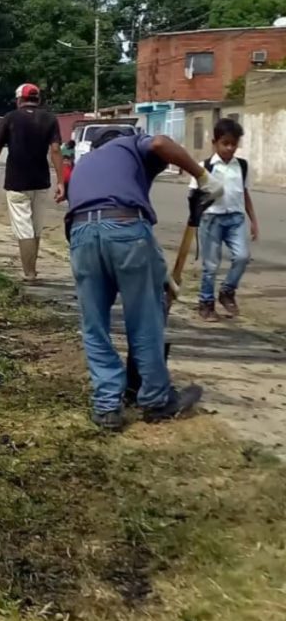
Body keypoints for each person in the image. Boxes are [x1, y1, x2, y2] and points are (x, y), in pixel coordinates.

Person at [65, 127, 224, 430]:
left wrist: (158, 275)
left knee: (94, 325)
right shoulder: (131, 144)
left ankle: (107, 407)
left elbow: (87, 227)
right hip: (127, 229)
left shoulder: (85, 164)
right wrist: (203, 177)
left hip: (81, 233)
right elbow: (162, 143)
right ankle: (155, 399)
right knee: (144, 320)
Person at [0, 82, 64, 281]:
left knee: (24, 228)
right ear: (38, 99)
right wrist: (61, 182)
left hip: (17, 182)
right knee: (36, 226)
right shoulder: (50, 119)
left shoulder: (10, 118)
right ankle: (32, 269)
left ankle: (30, 273)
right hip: (41, 181)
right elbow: (56, 150)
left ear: (19, 100)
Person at [189, 118, 259, 320]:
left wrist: (253, 220)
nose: (229, 148)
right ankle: (206, 303)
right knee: (211, 265)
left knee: (242, 257)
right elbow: (193, 195)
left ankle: (227, 291)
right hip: (211, 220)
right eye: (225, 143)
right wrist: (195, 219)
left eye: (233, 144)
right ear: (215, 142)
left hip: (235, 219)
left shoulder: (242, 166)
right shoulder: (206, 167)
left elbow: (244, 193)